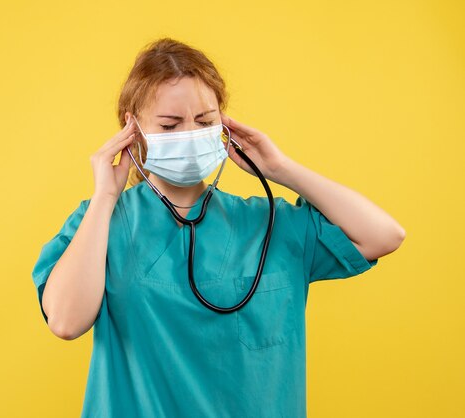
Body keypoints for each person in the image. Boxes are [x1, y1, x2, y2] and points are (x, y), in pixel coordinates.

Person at [31, 37, 405, 418]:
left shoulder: (271, 223)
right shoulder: (102, 222)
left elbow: (385, 235)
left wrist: (281, 170)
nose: (189, 135)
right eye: (169, 124)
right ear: (133, 128)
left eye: (205, 122)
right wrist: (104, 198)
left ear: (223, 124)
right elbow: (65, 321)